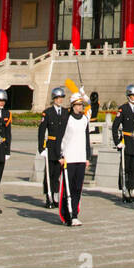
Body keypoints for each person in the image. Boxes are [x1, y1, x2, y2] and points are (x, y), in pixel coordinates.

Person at [56, 92, 91, 226]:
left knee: (77, 188)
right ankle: (66, 215)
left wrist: (87, 157)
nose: (81, 107)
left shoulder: (84, 120)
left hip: (80, 158)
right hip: (68, 158)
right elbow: (59, 138)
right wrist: (60, 155)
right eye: (78, 104)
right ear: (72, 106)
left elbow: (86, 139)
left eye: (82, 104)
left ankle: (75, 214)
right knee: (67, 189)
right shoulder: (66, 119)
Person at [111, 84, 134, 202]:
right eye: (132, 95)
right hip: (127, 142)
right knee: (125, 168)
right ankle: (125, 192)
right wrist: (118, 142)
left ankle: (131, 191)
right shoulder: (123, 109)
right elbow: (115, 127)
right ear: (128, 96)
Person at [38, 87, 68, 208]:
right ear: (53, 99)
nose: (59, 100)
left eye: (61, 98)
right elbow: (41, 132)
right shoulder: (48, 112)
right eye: (57, 98)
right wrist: (41, 148)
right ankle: (48, 196)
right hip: (51, 146)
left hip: (62, 146)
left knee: (57, 173)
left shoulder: (66, 112)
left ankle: (55, 196)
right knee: (49, 173)